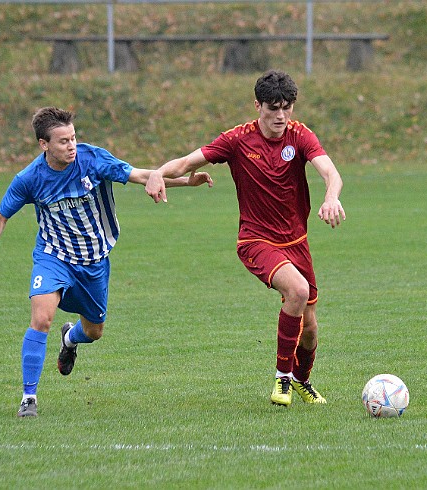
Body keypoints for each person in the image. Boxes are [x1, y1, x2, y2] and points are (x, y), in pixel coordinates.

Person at [0, 106, 212, 417]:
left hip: (94, 260)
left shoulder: (92, 159)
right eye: (63, 141)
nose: (71, 146)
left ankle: (70, 339)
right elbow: (1, 215)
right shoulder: (30, 179)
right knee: (41, 318)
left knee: (94, 331)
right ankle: (28, 397)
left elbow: (138, 174)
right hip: (53, 256)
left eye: (73, 138)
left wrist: (179, 182)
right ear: (44, 144)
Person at [145, 69, 345, 406]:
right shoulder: (237, 140)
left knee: (309, 329)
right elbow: (184, 164)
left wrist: (331, 197)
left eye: (287, 108)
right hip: (256, 241)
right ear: (258, 106)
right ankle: (282, 379)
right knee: (297, 291)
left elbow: (330, 172)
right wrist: (156, 173)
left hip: (297, 242)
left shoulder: (300, 136)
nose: (280, 116)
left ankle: (301, 380)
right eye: (273, 108)